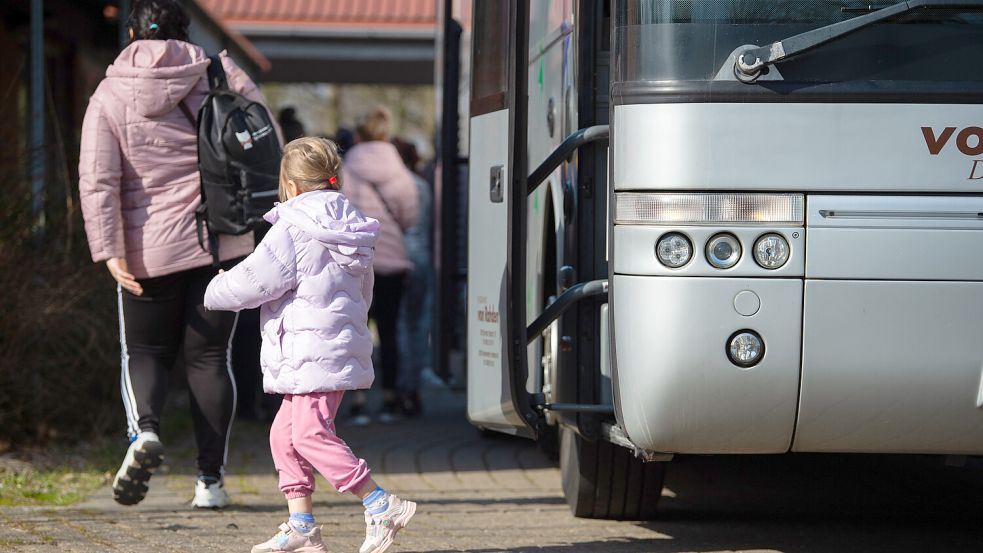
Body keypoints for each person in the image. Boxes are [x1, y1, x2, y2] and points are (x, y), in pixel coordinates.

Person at [77, 0, 278, 508]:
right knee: (210, 359)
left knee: (144, 353)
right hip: (221, 241)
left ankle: (144, 431)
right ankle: (209, 483)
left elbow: (98, 180)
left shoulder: (109, 92)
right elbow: (265, 141)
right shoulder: (219, 71)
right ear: (185, 30)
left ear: (129, 33)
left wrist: (109, 250)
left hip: (147, 249)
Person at [204, 137, 417, 553]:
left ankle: (379, 503)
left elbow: (255, 280)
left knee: (308, 435)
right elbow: (364, 292)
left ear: (290, 182)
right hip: (330, 346)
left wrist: (214, 287)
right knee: (285, 436)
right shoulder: (350, 222)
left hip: (311, 352)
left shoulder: (294, 226)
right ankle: (301, 525)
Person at [342, 107, 419, 424]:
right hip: (391, 261)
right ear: (386, 135)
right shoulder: (400, 172)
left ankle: (358, 402)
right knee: (389, 332)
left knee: (354, 331)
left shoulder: (345, 169)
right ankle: (389, 399)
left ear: (358, 135)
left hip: (354, 262)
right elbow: (410, 217)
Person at [392, 138, 433, 416]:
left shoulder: (392, 186)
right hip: (422, 258)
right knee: (420, 325)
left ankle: (402, 387)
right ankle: (415, 386)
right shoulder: (422, 186)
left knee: (400, 324)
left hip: (397, 258)